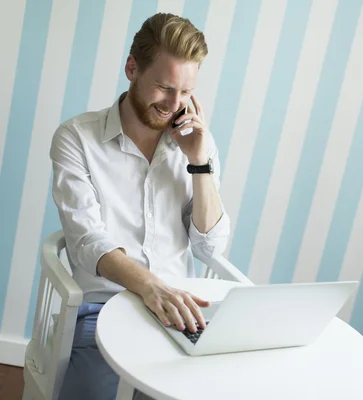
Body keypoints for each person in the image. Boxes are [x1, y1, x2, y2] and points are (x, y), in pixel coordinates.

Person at [51, 13, 230, 400]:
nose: (175, 105)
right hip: (102, 311)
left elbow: (211, 248)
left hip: (181, 314)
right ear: (132, 68)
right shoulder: (77, 137)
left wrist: (199, 163)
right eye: (165, 87)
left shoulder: (197, 144)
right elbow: (86, 241)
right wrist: (152, 288)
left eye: (186, 92)